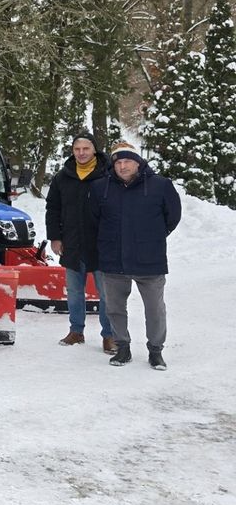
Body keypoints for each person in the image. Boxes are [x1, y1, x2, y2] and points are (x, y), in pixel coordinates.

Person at [89, 142, 181, 369]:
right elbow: (93, 220)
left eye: (127, 161)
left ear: (138, 162)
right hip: (113, 259)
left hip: (149, 259)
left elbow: (173, 216)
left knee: (154, 309)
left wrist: (153, 237)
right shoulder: (101, 187)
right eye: (118, 162)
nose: (122, 166)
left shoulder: (161, 185)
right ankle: (123, 347)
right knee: (114, 308)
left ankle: (155, 350)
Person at [46, 132, 116, 354]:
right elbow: (53, 209)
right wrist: (55, 237)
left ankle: (109, 335)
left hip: (101, 244)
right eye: (77, 149)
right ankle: (76, 331)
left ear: (94, 150)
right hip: (72, 243)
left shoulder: (108, 175)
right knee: (75, 291)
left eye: (85, 149)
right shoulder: (62, 177)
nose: (81, 153)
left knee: (107, 293)